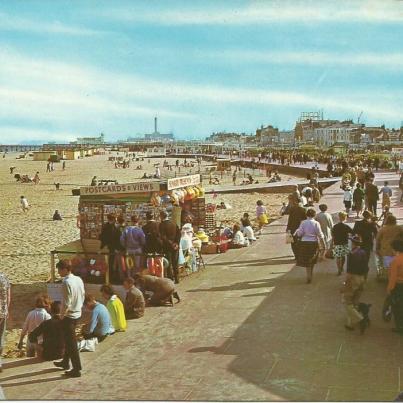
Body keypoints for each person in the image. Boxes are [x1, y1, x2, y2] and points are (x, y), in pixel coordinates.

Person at [53, 260, 85, 378]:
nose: (59, 272)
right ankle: (65, 362)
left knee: (71, 343)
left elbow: (66, 302)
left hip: (69, 315)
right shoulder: (78, 279)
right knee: (69, 339)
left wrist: (61, 316)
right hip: (77, 313)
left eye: (60, 269)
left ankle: (76, 368)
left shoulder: (66, 282)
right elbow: (82, 294)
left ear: (66, 269)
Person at [342, 235, 369, 333]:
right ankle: (350, 323)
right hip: (362, 277)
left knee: (347, 301)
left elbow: (349, 271)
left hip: (353, 278)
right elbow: (366, 267)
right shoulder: (363, 252)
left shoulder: (351, 254)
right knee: (355, 301)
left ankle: (360, 319)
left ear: (352, 243)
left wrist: (344, 284)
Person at [294, 208, 325, 284]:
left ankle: (308, 276)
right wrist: (323, 244)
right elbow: (320, 234)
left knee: (307, 260)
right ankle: (310, 275)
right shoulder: (316, 223)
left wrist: (297, 232)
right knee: (312, 259)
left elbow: (300, 234)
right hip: (313, 243)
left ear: (306, 215)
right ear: (314, 215)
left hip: (304, 242)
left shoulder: (303, 222)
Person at [159, 211, 181, 283]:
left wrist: (171, 243)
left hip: (167, 247)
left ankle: (170, 278)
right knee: (175, 262)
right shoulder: (174, 223)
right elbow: (179, 234)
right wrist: (176, 243)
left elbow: (163, 237)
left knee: (168, 262)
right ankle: (177, 278)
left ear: (162, 216)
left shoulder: (162, 225)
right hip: (175, 246)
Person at [387, 240, 403, 333]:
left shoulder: (395, 261)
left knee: (398, 307)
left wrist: (389, 288)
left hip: (399, 286)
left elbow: (393, 277)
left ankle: (400, 327)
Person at [100, 214, 121, 283]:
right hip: (113, 247)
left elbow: (102, 237)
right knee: (113, 263)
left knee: (111, 263)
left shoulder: (106, 226)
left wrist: (102, 246)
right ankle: (112, 277)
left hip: (109, 247)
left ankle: (110, 277)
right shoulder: (114, 227)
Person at [332, 211, 353, 276]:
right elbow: (352, 233)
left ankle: (339, 269)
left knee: (338, 257)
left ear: (339, 217)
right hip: (344, 242)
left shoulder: (335, 226)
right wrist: (349, 237)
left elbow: (333, 235)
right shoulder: (346, 226)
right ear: (345, 217)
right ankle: (342, 267)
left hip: (337, 242)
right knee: (343, 256)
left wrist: (332, 243)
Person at [0, 271, 10, 372]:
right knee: (1, 336)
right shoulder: (4, 277)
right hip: (2, 312)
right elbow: (8, 296)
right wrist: (7, 310)